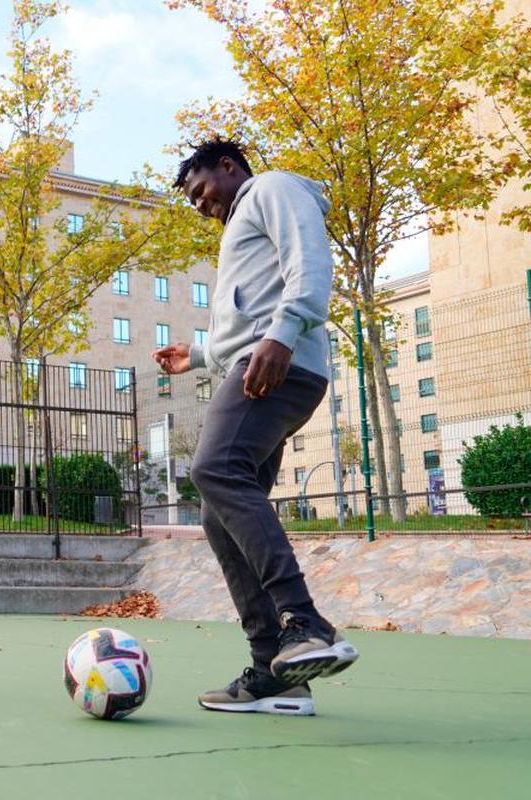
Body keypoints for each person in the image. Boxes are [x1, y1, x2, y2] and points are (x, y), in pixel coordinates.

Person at [154, 138, 358, 716]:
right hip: (260, 362)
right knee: (218, 515)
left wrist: (282, 334)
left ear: (228, 166)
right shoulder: (238, 230)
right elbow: (246, 318)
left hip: (276, 366)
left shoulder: (272, 187)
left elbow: (309, 261)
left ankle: (304, 621)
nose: (199, 204)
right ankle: (277, 670)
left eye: (201, 190)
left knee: (214, 468)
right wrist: (195, 356)